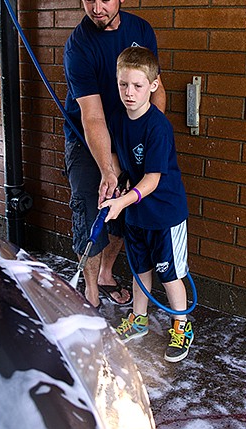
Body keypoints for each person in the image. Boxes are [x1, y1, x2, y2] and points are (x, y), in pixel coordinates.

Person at [62, 0, 166, 309]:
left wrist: (147, 136)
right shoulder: (79, 47)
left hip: (128, 136)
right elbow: (92, 117)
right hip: (87, 139)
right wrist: (109, 168)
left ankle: (107, 273)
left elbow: (157, 89)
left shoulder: (141, 31)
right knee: (92, 210)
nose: (97, 8)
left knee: (123, 213)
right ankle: (89, 292)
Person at [100, 46, 193, 363]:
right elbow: (114, 152)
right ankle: (138, 320)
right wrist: (114, 176)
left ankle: (181, 325)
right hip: (137, 215)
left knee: (169, 274)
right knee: (140, 271)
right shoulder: (117, 118)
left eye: (138, 86)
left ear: (153, 86)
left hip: (165, 215)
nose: (129, 93)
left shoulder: (158, 126)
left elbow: (152, 180)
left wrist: (121, 202)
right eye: (123, 84)